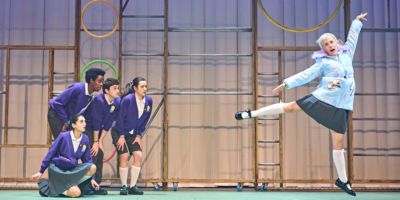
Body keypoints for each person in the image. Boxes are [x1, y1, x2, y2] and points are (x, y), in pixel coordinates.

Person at [235, 13, 368, 196]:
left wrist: (356, 22)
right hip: (324, 98)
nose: (330, 46)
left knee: (338, 145)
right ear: (323, 49)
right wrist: (286, 83)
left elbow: (352, 38)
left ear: (336, 43)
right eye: (326, 45)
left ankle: (343, 181)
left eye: (331, 42)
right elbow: (306, 75)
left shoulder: (347, 54)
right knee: (289, 107)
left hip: (343, 104)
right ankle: (250, 113)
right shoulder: (323, 63)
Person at [30, 114, 99, 197]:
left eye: (85, 122)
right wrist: (41, 171)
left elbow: (87, 160)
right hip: (58, 171)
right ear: (73, 125)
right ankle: (51, 187)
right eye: (81, 122)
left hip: (71, 171)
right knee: (76, 193)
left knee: (92, 167)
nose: (84, 124)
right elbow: (51, 153)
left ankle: (59, 187)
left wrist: (92, 179)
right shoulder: (63, 136)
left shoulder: (85, 139)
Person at [112, 77, 152, 195]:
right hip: (119, 131)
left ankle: (133, 186)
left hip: (133, 133)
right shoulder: (128, 100)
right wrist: (121, 136)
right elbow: (119, 118)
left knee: (138, 155)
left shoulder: (149, 101)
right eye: (142, 86)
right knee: (124, 156)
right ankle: (124, 186)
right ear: (135, 88)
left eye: (146, 86)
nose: (145, 89)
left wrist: (139, 135)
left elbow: (145, 120)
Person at [83, 78, 121, 195]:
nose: (118, 91)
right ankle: (89, 185)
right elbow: (96, 122)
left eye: (118, 88)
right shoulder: (98, 101)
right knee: (93, 152)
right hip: (87, 128)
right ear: (106, 90)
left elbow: (109, 122)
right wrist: (96, 142)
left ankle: (96, 185)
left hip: (98, 130)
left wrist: (100, 141)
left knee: (100, 153)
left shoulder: (117, 101)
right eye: (114, 88)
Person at [48, 68, 105, 139]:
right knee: (63, 142)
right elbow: (57, 103)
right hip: (56, 113)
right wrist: (65, 122)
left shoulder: (90, 96)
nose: (101, 84)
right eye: (99, 81)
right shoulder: (77, 88)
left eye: (102, 82)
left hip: (66, 118)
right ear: (91, 80)